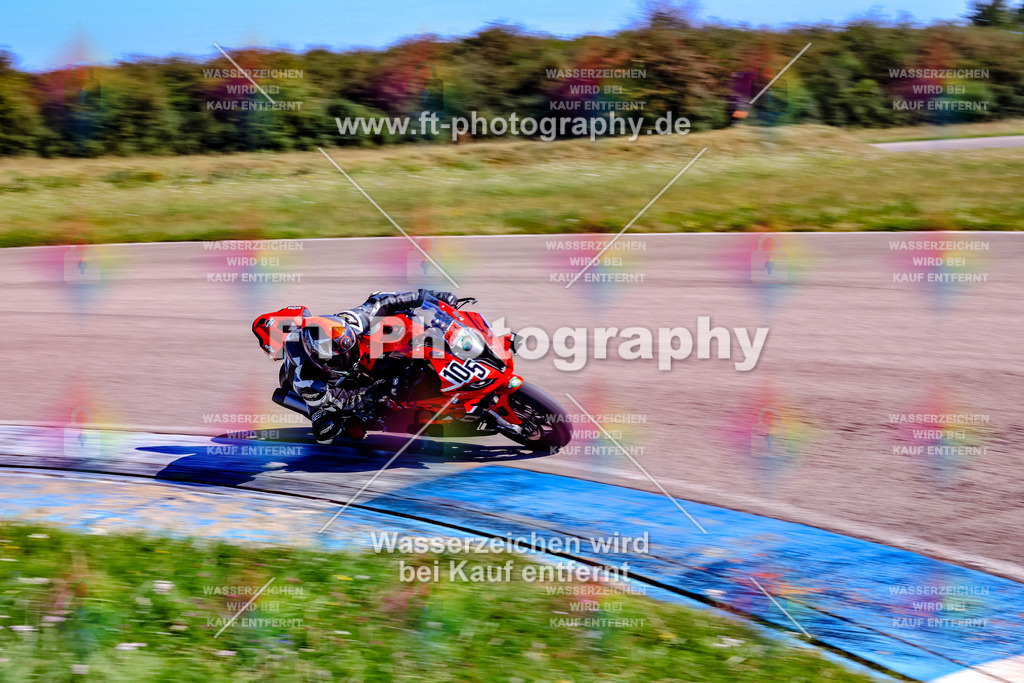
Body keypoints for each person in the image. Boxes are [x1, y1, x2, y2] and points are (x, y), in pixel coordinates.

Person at [253, 290, 458, 443]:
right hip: (331, 391)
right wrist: (382, 390)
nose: (348, 355)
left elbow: (382, 300)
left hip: (341, 347)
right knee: (333, 428)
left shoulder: (348, 322)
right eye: (341, 355)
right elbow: (345, 400)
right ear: (322, 360)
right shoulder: (307, 380)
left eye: (348, 348)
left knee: (396, 326)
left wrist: (432, 297)